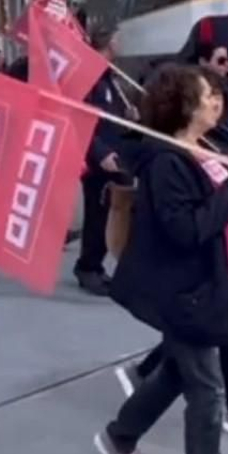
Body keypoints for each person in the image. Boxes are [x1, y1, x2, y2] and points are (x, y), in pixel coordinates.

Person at [95, 65, 228, 454]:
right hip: (184, 291)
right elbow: (185, 229)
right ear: (182, 107)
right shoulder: (166, 161)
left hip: (212, 283)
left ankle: (119, 436)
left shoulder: (205, 149)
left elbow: (216, 210)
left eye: (216, 95)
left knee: (177, 372)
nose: (217, 102)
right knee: (208, 394)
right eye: (206, 96)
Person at [75, 26, 136, 297]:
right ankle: (88, 267)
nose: (121, 43)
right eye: (117, 39)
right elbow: (81, 120)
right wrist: (100, 153)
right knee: (97, 215)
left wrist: (129, 114)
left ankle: (98, 266)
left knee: (114, 214)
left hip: (118, 154)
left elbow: (110, 114)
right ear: (109, 42)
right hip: (99, 160)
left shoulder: (108, 75)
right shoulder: (88, 77)